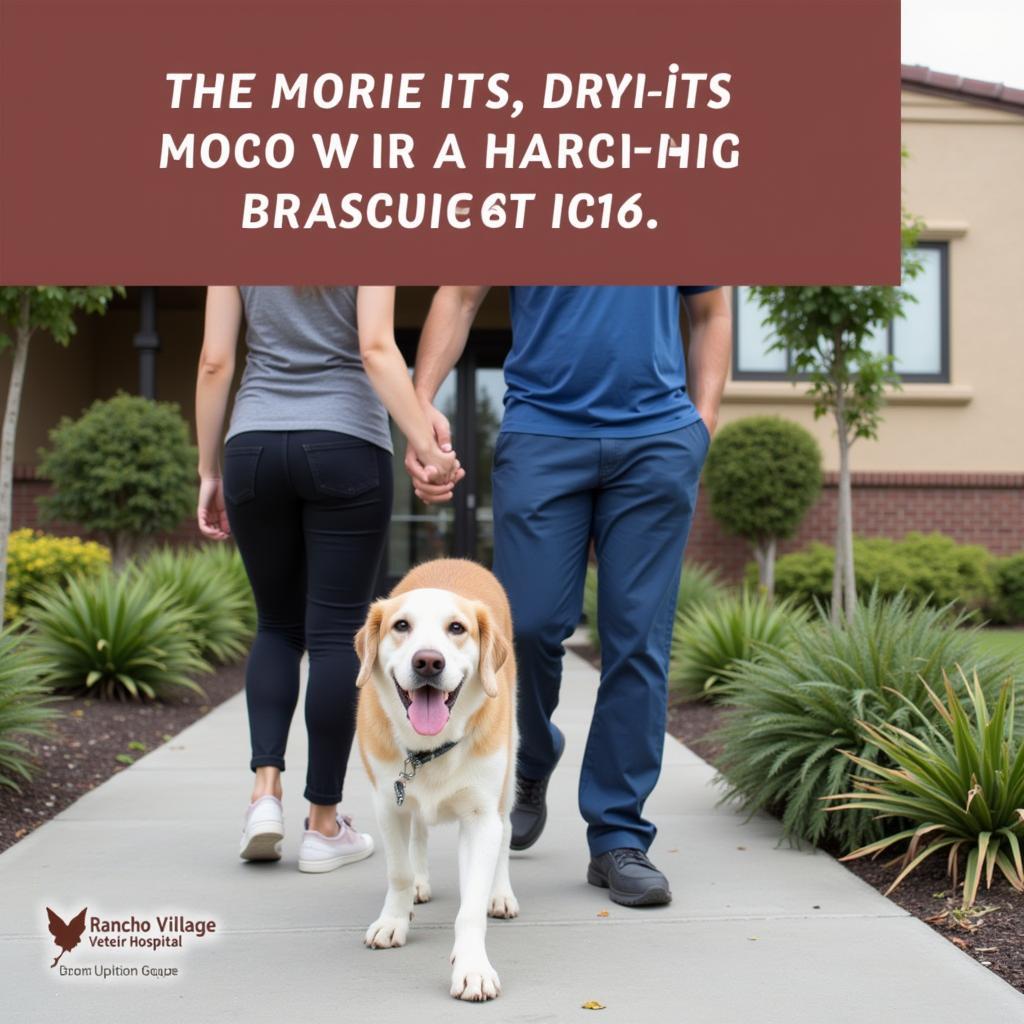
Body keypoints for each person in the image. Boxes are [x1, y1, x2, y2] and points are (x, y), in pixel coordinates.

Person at [406, 286, 731, 906]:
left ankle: (617, 834)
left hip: (657, 442)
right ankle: (530, 757)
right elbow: (460, 293)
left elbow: (712, 310)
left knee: (637, 640)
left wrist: (701, 426)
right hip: (543, 435)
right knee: (523, 626)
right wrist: (420, 402)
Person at [195, 286, 461, 872]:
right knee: (339, 632)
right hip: (345, 442)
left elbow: (215, 360)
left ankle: (264, 795)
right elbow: (375, 348)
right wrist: (426, 447)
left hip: (254, 446)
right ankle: (322, 823)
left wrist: (209, 468)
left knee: (277, 627)